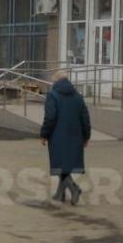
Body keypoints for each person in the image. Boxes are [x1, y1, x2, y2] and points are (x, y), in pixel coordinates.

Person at [40, 70, 91, 205]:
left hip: (57, 136)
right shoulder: (78, 96)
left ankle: (74, 189)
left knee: (60, 166)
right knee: (64, 166)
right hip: (75, 136)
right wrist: (86, 136)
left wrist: (44, 134)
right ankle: (60, 194)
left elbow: (50, 117)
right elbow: (85, 118)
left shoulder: (52, 95)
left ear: (55, 82)